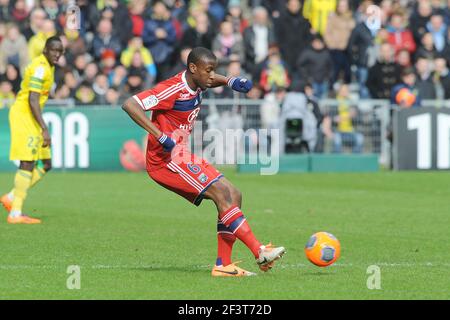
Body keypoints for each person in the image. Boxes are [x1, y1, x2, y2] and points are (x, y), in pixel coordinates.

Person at [121, 47, 285, 277]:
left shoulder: (198, 81)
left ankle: (223, 265)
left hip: (181, 155)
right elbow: (130, 104)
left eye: (214, 71)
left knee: (234, 194)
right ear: (192, 68)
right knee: (220, 193)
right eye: (208, 71)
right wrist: (160, 136)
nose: (211, 76)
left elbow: (209, 79)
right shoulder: (172, 89)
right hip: (164, 160)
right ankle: (259, 251)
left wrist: (230, 81)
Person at [0, 36, 64, 224]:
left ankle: (11, 197)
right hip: (24, 115)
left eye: (60, 51)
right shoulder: (40, 68)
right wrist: (44, 128)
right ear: (45, 49)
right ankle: (15, 213)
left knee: (46, 164)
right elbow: (32, 100)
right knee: (27, 162)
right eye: (54, 50)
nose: (57, 54)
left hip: (32, 116)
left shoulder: (48, 66)